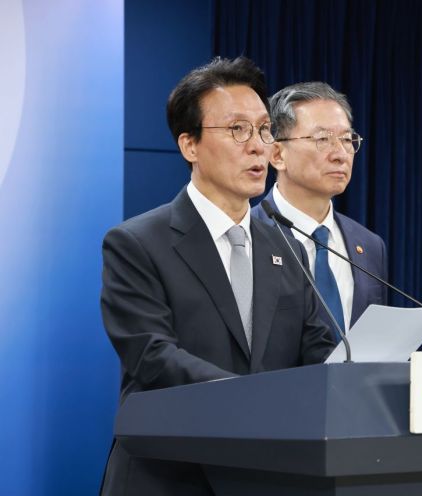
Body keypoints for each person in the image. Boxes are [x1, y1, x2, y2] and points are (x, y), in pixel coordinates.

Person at [99, 57, 335, 495]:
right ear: (189, 145)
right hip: (170, 476)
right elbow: (152, 356)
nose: (258, 147)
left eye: (264, 130)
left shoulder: (285, 245)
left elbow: (316, 348)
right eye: (238, 130)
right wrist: (250, 398)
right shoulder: (137, 243)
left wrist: (355, 376)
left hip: (265, 476)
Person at [252, 82, 387, 334]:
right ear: (277, 154)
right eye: (322, 139)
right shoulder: (246, 237)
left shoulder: (369, 246)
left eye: (346, 139)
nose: (341, 154)